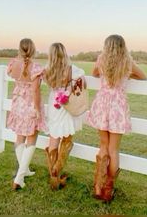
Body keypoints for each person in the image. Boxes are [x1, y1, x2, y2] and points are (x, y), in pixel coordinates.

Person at [86, 34, 147, 202]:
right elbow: (144, 76)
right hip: (117, 107)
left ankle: (98, 186)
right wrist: (127, 74)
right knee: (114, 149)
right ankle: (108, 189)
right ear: (123, 46)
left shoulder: (101, 59)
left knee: (103, 145)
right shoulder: (127, 62)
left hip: (102, 103)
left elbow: (94, 73)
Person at [44, 42, 86, 190]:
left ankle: (52, 175)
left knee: (53, 137)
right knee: (67, 137)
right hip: (66, 104)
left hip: (54, 105)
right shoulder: (72, 70)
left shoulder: (48, 71)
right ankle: (57, 169)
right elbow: (83, 81)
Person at [7, 38, 46, 190]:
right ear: (33, 49)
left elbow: (14, 76)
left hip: (18, 104)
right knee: (31, 138)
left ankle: (25, 170)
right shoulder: (35, 67)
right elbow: (35, 90)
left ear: (19, 49)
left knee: (19, 137)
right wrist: (37, 108)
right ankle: (19, 177)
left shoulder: (13, 64)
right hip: (30, 104)